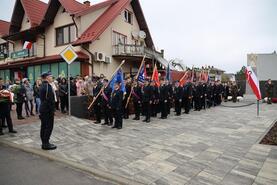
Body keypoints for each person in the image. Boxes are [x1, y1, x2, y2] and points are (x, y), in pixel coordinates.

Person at [39, 72, 56, 150]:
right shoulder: (47, 86)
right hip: (47, 110)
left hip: (43, 109)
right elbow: (49, 101)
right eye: (51, 76)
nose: (52, 78)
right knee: (49, 126)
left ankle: (44, 142)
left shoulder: (43, 85)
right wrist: (52, 110)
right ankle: (46, 144)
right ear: (47, 77)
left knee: (44, 126)